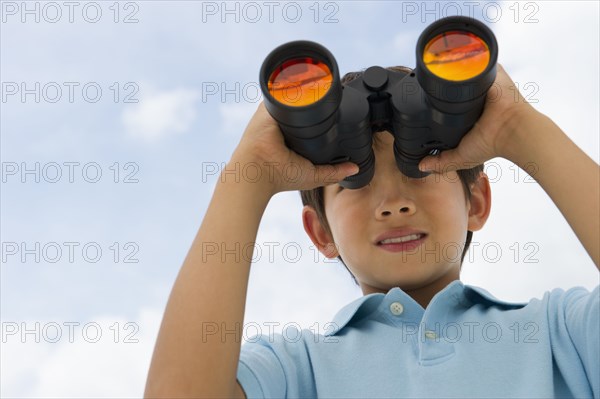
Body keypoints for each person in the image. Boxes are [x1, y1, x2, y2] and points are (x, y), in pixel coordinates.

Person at [144, 64, 599, 398]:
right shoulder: (296, 369)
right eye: (355, 181)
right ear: (320, 232)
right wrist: (246, 175)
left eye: (420, 169)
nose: (394, 204)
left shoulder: (561, 334)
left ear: (476, 201)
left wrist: (523, 129)